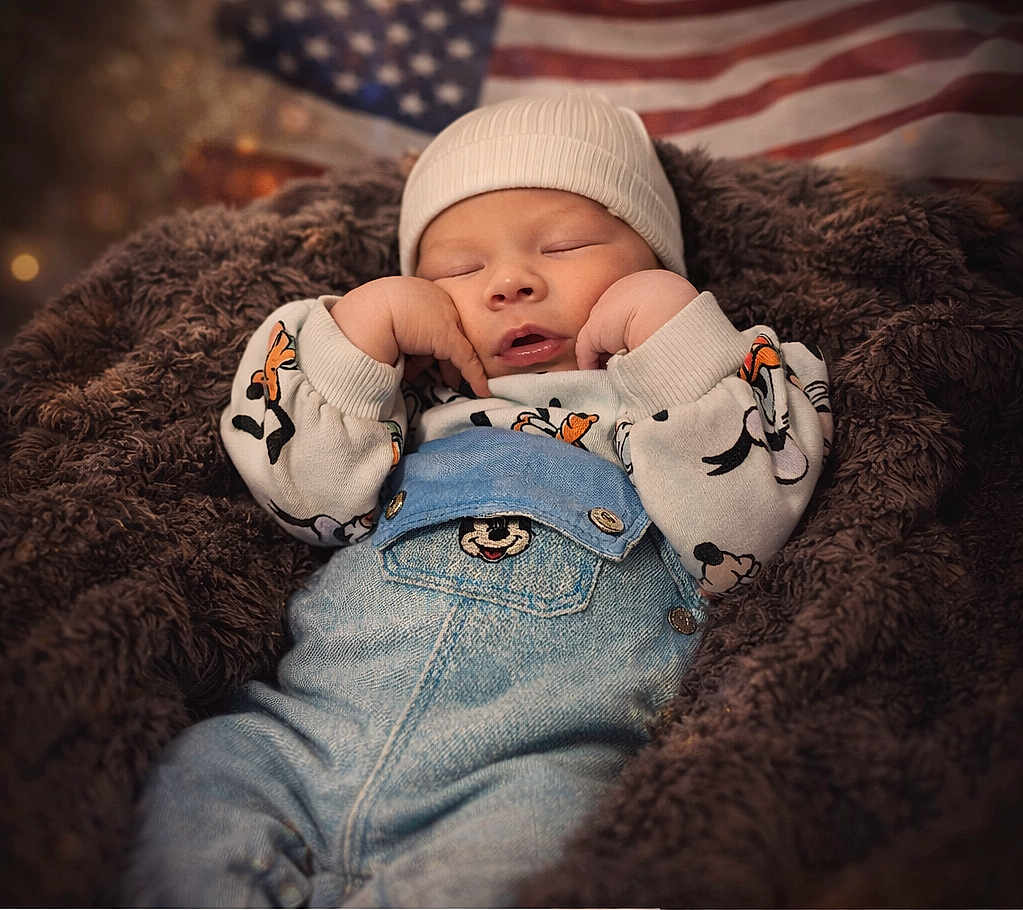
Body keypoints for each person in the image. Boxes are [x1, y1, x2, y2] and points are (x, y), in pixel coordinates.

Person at [121, 93, 832, 907]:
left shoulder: (715, 381)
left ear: (659, 260)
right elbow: (302, 496)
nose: (509, 283)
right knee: (191, 794)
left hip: (533, 770)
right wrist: (362, 332)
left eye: (564, 246)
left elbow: (739, 534)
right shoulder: (402, 404)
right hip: (298, 737)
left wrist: (675, 334)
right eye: (458, 268)